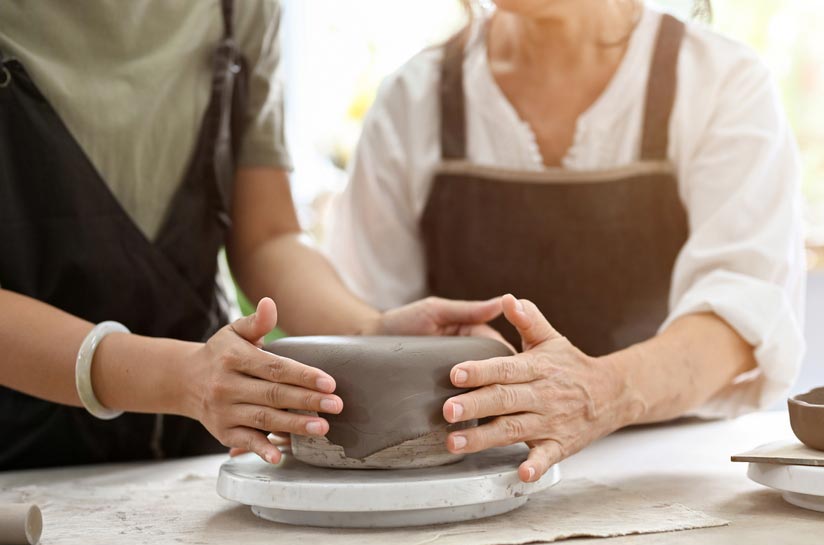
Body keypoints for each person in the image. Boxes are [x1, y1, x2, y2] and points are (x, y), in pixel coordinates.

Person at [0, 1, 502, 470]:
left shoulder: (239, 8)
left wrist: (371, 335)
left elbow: (267, 236)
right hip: (19, 460)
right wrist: (181, 378)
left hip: (188, 449)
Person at [327, 0, 806, 482]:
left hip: (667, 473)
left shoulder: (720, 80)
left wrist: (601, 392)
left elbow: (742, 314)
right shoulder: (413, 96)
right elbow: (373, 322)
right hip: (466, 474)